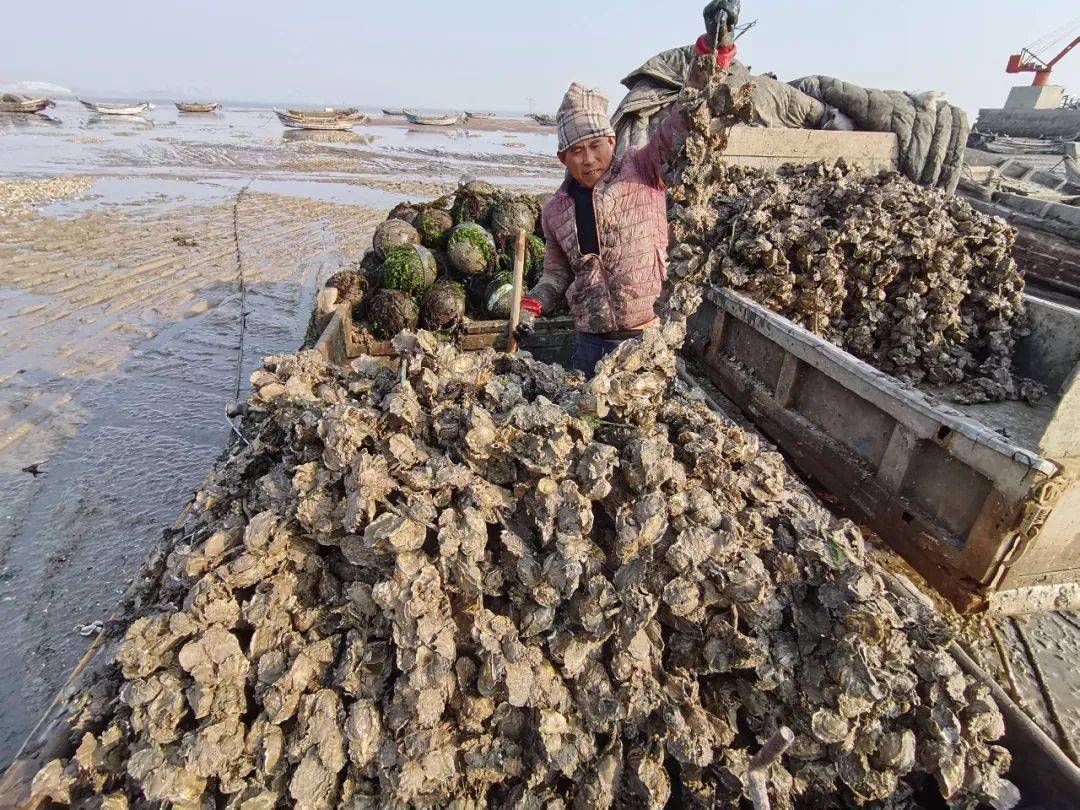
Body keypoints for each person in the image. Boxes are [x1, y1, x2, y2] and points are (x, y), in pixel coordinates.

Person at [508, 2, 741, 379]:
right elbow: (556, 273)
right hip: (590, 340)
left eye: (595, 146)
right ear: (562, 157)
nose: (588, 159)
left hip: (644, 334)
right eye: (576, 151)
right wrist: (534, 302)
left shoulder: (642, 166)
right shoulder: (555, 210)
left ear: (612, 140)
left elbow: (683, 120)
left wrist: (713, 52)